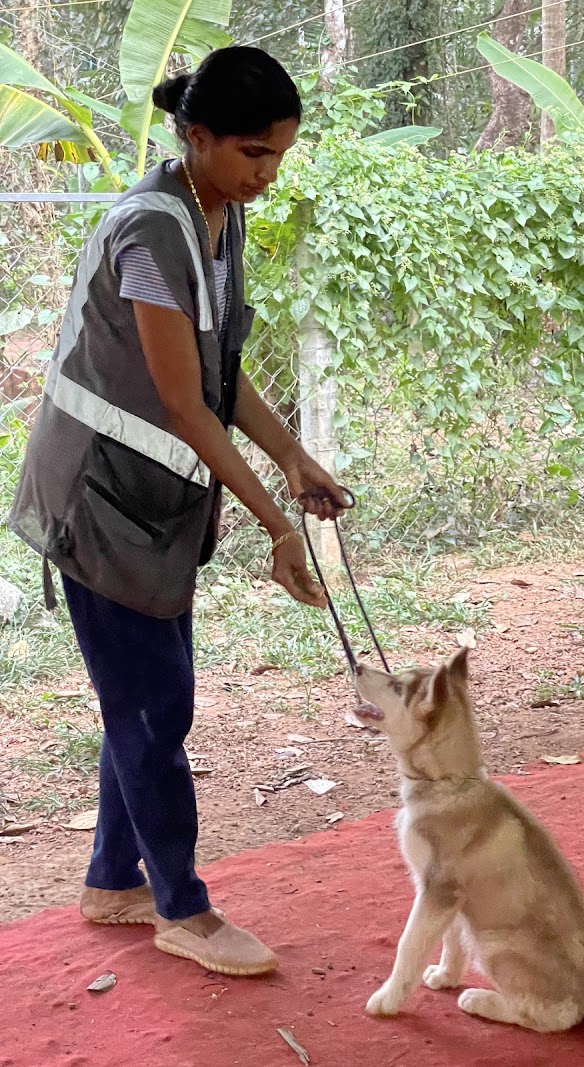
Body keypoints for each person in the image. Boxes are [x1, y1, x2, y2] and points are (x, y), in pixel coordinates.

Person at [8, 46, 349, 977]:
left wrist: (294, 458)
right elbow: (184, 402)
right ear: (197, 137)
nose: (267, 174)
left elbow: (219, 374)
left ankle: (112, 880)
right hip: (96, 501)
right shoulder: (151, 233)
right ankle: (182, 908)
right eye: (253, 153)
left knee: (146, 698)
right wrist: (276, 522)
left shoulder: (219, 213)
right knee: (155, 707)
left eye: (278, 155)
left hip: (151, 504)